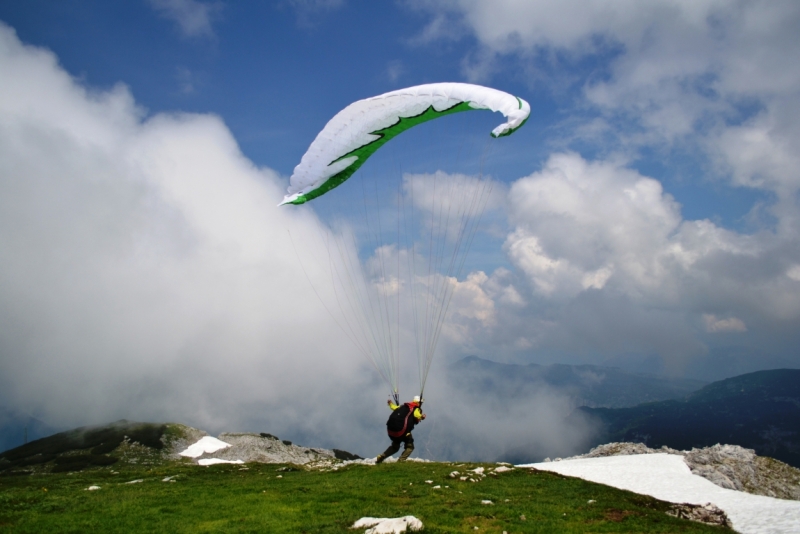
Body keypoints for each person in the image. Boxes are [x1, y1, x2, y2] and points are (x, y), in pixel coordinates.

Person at [375, 395, 426, 463]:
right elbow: (416, 414)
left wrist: (390, 404)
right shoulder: (416, 408)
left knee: (395, 447)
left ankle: (382, 456)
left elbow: (394, 407)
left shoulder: (403, 406)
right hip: (403, 432)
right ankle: (401, 461)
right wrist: (421, 416)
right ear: (419, 402)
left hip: (392, 431)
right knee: (410, 447)